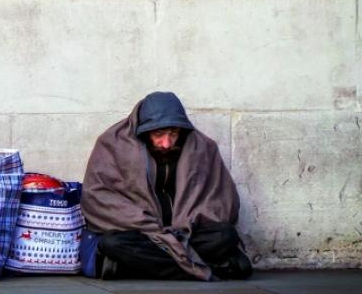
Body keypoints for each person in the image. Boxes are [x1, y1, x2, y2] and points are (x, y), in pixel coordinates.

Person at [81, 91, 252, 280]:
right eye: (158, 134)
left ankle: (137, 269)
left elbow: (221, 199)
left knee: (225, 236)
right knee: (112, 243)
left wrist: (189, 221)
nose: (166, 143)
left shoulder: (203, 147)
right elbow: (98, 197)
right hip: (143, 234)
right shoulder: (112, 144)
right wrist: (145, 223)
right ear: (143, 131)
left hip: (187, 235)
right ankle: (206, 271)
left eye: (173, 134)